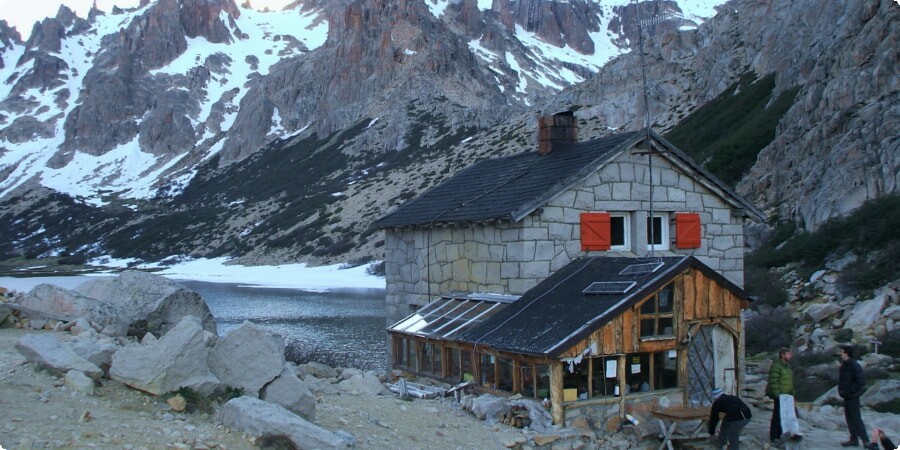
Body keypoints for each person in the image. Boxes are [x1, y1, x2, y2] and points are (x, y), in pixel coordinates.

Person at [838, 345, 870, 447]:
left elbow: (860, 381)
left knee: (856, 418)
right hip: (846, 396)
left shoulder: (854, 365)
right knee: (849, 418)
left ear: (847, 353)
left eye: (842, 352)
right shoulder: (844, 366)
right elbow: (842, 380)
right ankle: (854, 439)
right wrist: (841, 390)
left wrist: (850, 390)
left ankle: (865, 440)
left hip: (853, 396)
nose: (840, 354)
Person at [766, 347, 794, 444]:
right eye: (788, 354)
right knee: (777, 416)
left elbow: (790, 381)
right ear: (783, 355)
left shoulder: (788, 367)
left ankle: (782, 434)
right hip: (780, 396)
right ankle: (774, 437)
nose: (790, 356)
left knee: (785, 416)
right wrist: (777, 394)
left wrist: (792, 393)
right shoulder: (776, 366)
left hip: (787, 396)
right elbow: (774, 381)